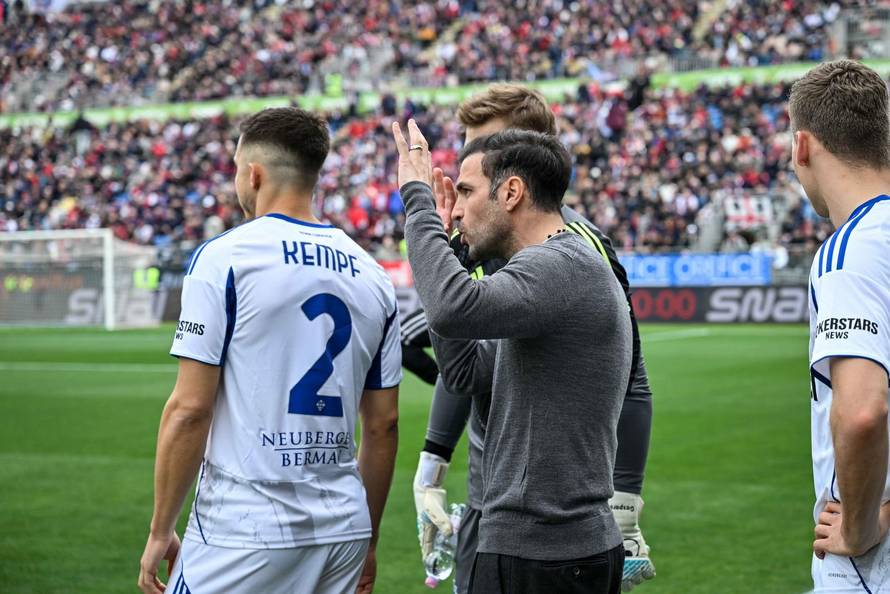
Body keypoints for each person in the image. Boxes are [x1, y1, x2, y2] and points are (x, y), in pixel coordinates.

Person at [137, 107, 401, 594]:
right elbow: (383, 424)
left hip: (243, 531)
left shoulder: (225, 258)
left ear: (253, 174)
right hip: (342, 528)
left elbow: (190, 410)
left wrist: (159, 530)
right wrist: (368, 537)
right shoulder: (374, 275)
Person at [407, 84, 655, 593]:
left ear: (516, 178)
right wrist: (431, 465)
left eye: (475, 176)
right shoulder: (507, 251)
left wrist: (626, 504)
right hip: (500, 505)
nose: (466, 170)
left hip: (545, 533)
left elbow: (635, 377)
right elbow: (467, 371)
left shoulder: (566, 259)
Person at [789, 59, 890, 592]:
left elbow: (861, 414)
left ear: (801, 146)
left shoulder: (851, 252)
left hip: (870, 569)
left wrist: (860, 525)